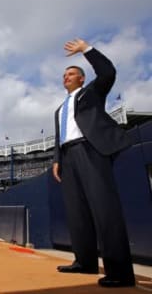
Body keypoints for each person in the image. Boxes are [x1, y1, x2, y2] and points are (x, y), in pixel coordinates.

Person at [52, 38, 135, 288]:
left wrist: (86, 50)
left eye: (72, 73)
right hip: (68, 156)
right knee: (77, 212)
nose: (66, 76)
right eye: (64, 74)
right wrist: (57, 160)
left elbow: (108, 71)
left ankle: (119, 272)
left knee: (104, 209)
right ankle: (85, 262)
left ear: (81, 79)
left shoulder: (92, 93)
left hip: (91, 150)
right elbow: (60, 136)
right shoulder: (59, 108)